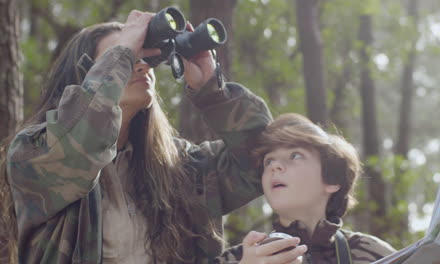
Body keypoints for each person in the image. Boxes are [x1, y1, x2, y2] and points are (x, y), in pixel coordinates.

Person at [1, 10, 272, 263]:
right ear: (84, 76)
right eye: (126, 59)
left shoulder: (181, 168)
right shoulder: (33, 153)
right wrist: (124, 50)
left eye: (145, 57)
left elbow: (266, 159)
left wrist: (213, 91)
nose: (140, 65)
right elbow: (79, 141)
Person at [217, 113, 395, 264]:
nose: (274, 166)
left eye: (295, 155)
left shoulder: (374, 254)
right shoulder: (237, 258)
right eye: (268, 161)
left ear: (332, 180)